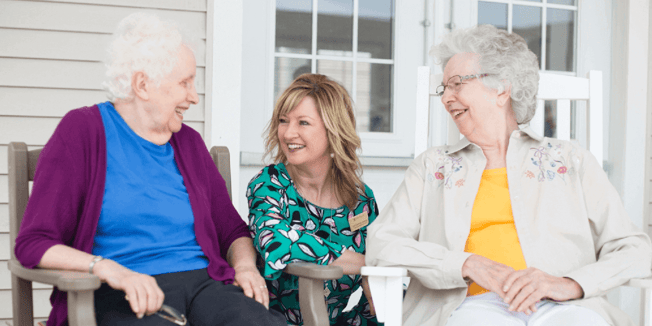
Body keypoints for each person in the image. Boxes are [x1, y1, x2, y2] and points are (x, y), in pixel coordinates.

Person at [365, 25, 652, 326]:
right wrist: (465, 264)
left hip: (564, 309)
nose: (446, 97)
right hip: (469, 307)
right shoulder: (433, 167)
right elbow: (383, 242)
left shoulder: (570, 160)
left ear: (501, 88)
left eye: (457, 84)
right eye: (443, 88)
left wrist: (569, 283)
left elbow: (635, 249)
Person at [14, 13, 285, 326]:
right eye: (185, 83)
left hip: (204, 288)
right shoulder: (83, 131)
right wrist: (107, 269)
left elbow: (233, 232)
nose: (194, 97)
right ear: (142, 85)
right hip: (121, 292)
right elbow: (34, 243)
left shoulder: (190, 144)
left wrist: (246, 267)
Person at [247, 74, 381, 325]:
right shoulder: (269, 184)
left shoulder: (361, 199)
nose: (288, 133)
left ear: (333, 129)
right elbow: (275, 241)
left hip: (336, 320)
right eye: (283, 121)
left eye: (303, 123)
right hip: (273, 321)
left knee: (405, 304)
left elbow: (383, 254)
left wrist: (376, 274)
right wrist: (365, 265)